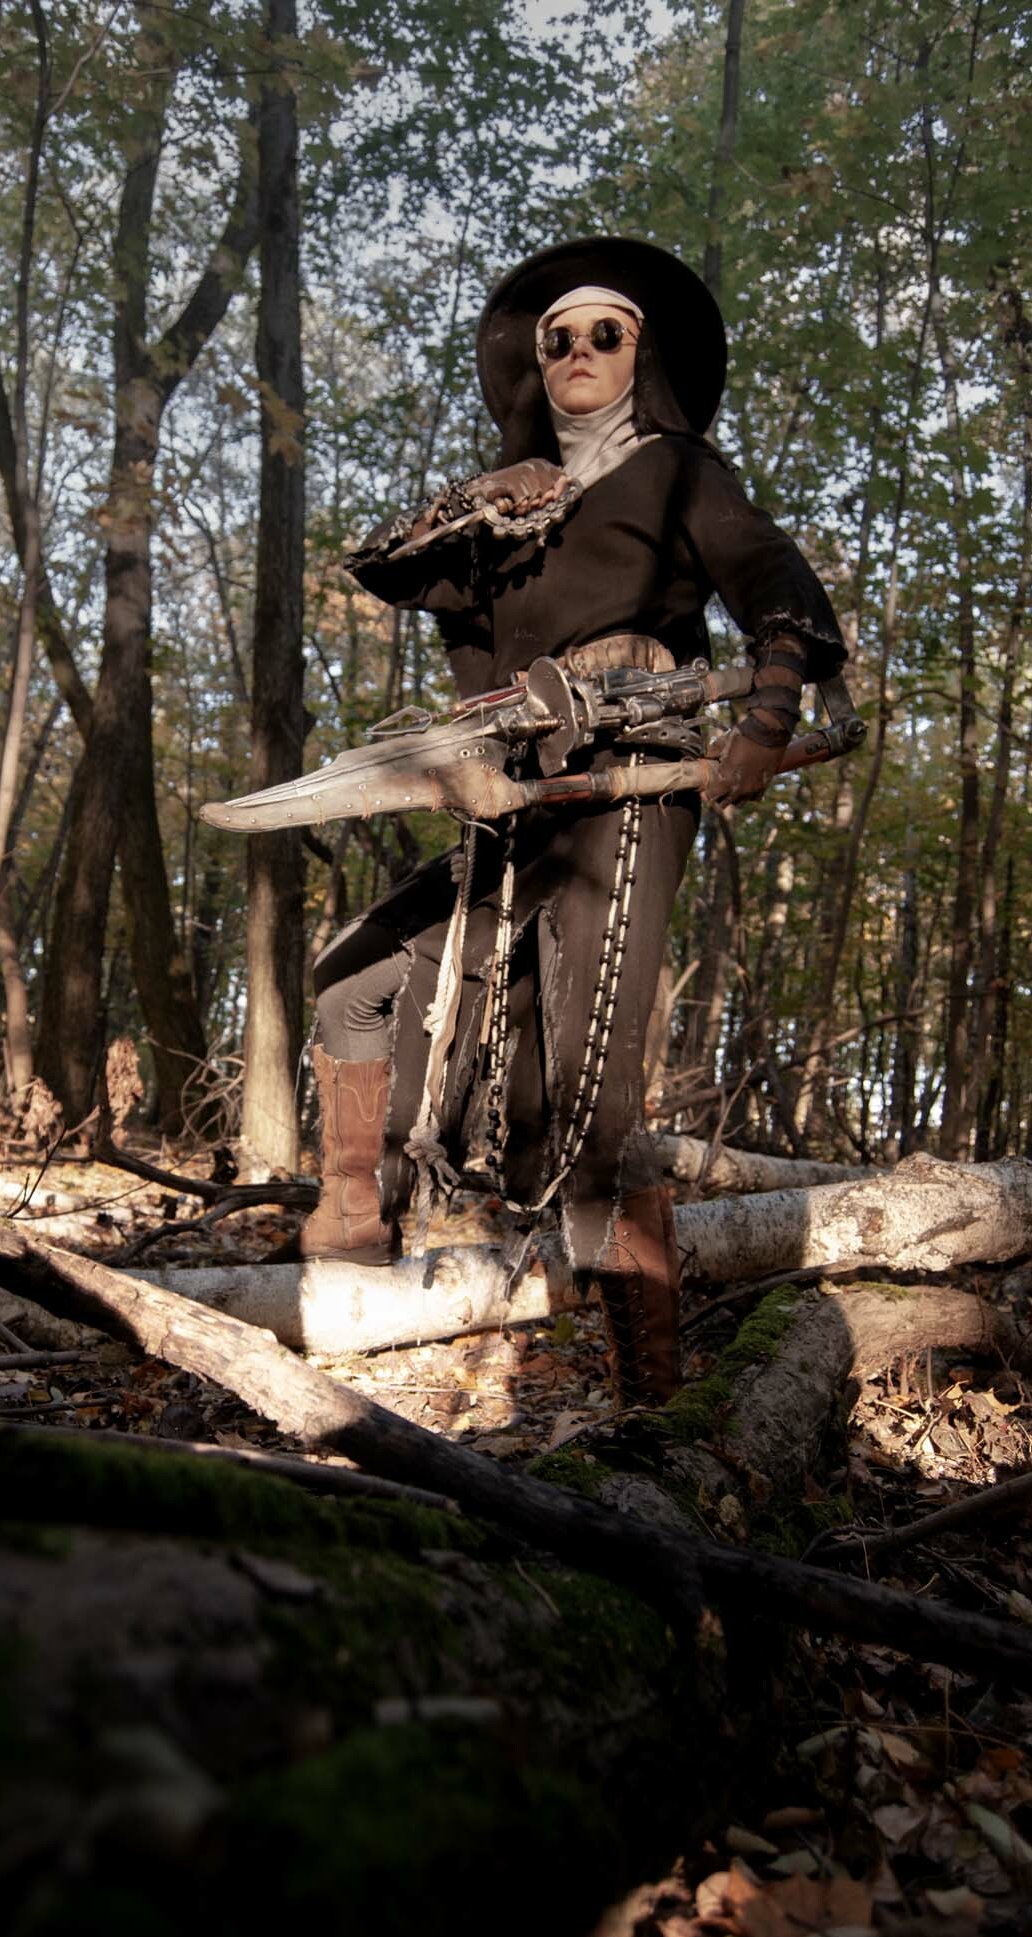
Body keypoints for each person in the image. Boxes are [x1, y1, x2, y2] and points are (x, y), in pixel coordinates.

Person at [300, 237, 846, 1404]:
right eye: (556, 339)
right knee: (354, 976)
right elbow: (385, 570)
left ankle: (655, 1404)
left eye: (608, 333)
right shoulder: (508, 514)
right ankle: (352, 1233)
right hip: (507, 796)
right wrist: (480, 497)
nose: (579, 351)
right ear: (534, 363)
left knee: (586, 1083)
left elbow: (774, 584)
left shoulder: (675, 470)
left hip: (627, 781)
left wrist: (766, 713)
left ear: (642, 356)